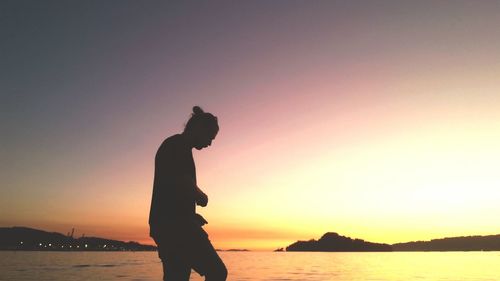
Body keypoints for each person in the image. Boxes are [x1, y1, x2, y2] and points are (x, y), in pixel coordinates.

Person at [149, 106, 227, 281]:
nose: (210, 143)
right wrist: (201, 196)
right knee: (217, 272)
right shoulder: (176, 145)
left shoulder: (178, 147)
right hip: (176, 227)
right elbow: (183, 181)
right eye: (210, 137)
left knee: (177, 277)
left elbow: (173, 189)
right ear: (199, 128)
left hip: (169, 225)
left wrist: (191, 214)